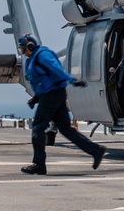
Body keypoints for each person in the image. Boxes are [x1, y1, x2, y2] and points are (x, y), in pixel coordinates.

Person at [18, 33, 105, 175]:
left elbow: (56, 69)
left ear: (30, 46)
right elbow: (43, 80)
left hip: (52, 95)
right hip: (53, 94)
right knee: (65, 129)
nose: (24, 53)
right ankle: (96, 150)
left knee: (38, 128)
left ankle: (39, 164)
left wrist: (72, 80)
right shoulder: (34, 58)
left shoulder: (42, 56)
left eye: (23, 49)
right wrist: (36, 98)